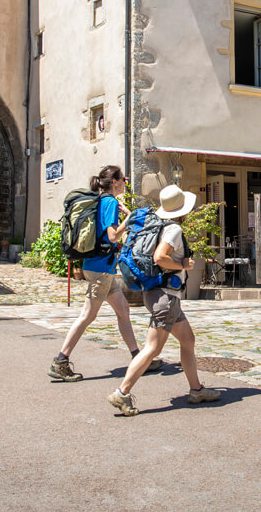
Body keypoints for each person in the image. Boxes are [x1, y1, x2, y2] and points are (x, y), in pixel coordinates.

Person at [109, 185, 221, 416]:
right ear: (181, 209)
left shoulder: (152, 223)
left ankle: (196, 390)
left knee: (188, 340)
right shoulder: (173, 229)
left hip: (157, 294)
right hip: (165, 297)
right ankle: (122, 392)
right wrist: (183, 265)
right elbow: (160, 257)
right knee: (153, 348)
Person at [49, 165, 161, 382]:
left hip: (100, 267)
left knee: (123, 310)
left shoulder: (104, 201)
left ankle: (139, 358)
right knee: (87, 316)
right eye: (123, 180)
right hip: (100, 269)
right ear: (115, 182)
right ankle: (60, 361)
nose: (125, 184)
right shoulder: (108, 202)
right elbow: (112, 236)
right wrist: (130, 219)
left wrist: (126, 215)